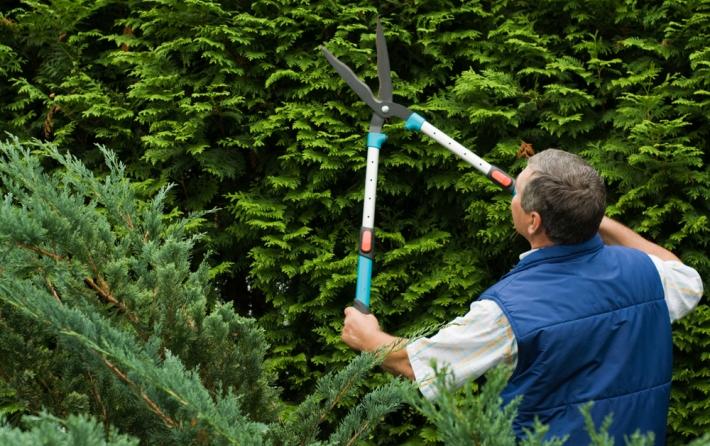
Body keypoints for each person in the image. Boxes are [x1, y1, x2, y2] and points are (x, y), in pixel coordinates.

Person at [341, 149, 703, 444]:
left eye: (517, 191)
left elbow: (419, 365)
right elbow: (679, 271)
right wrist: (589, 217)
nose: (511, 195)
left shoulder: (507, 311)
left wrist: (370, 339)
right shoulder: (648, 274)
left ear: (533, 222)